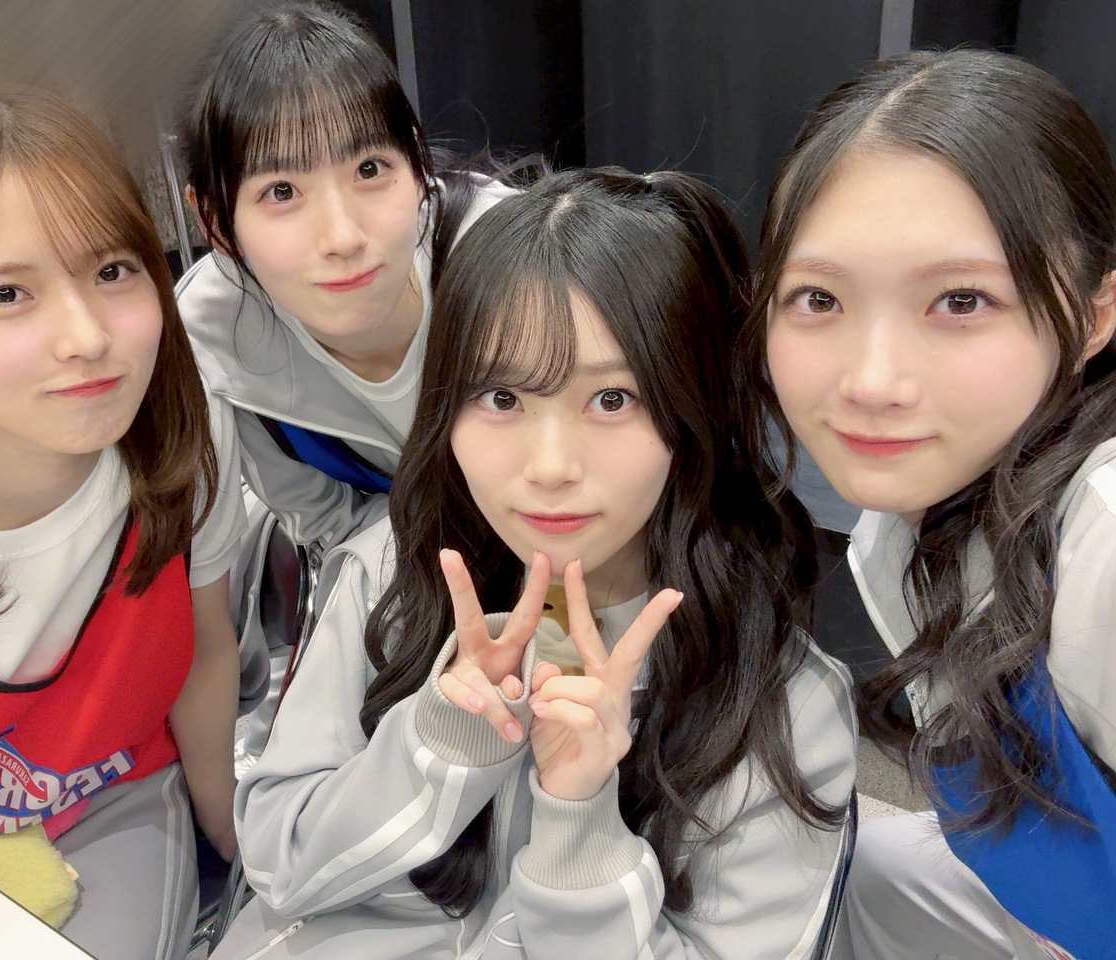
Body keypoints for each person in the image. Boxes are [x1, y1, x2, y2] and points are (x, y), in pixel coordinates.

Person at [212, 167, 857, 960]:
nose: (549, 467)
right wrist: (441, 746)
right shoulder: (395, 573)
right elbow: (278, 865)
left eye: (612, 399)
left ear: (695, 407)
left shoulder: (784, 707)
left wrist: (579, 824)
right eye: (502, 399)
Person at [0, 88, 246, 960]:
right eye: (7, 293)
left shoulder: (185, 439)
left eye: (112, 271)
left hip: (116, 799)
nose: (87, 337)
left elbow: (207, 651)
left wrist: (241, 851)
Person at [753, 49, 1116, 960]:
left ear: (1095, 316)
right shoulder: (913, 514)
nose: (872, 382)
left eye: (961, 300)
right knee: (853, 871)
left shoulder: (1105, 540)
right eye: (819, 297)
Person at [178, 0, 515, 558]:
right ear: (215, 222)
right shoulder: (217, 333)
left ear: (417, 166)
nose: (342, 237)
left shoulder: (512, 259)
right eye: (282, 191)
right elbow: (329, 524)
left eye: (369, 169)